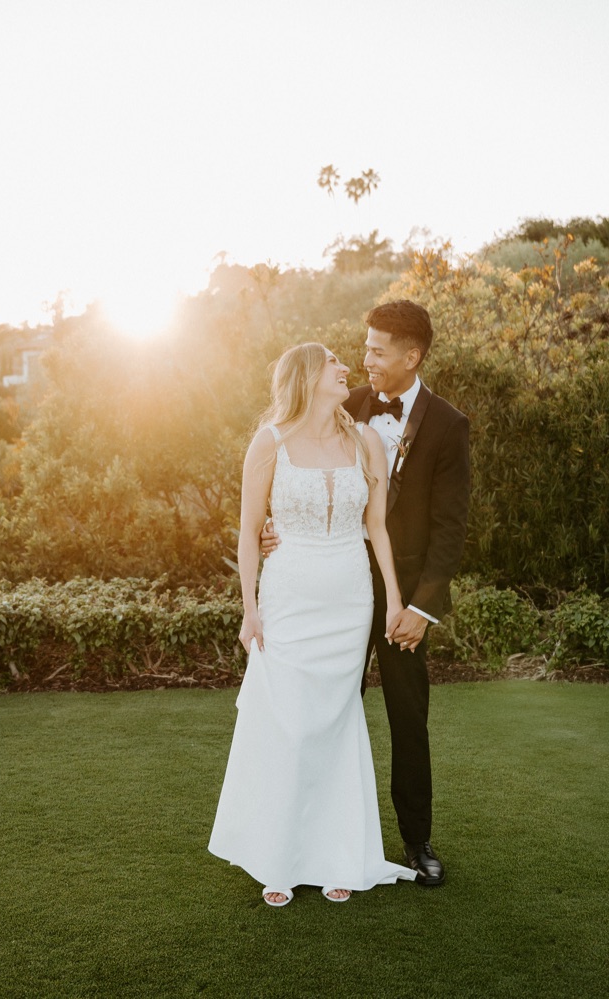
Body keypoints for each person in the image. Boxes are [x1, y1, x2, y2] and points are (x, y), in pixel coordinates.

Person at [262, 300, 471, 887]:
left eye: (378, 351)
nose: (366, 360)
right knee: (325, 711)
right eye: (365, 347)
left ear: (413, 355)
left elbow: (451, 529)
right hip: (336, 587)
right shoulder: (344, 405)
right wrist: (271, 527)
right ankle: (308, 840)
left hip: (402, 597)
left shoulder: (449, 426)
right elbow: (288, 470)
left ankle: (417, 841)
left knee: (408, 717)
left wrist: (422, 607)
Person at [208, 342, 417, 906]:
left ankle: (335, 853)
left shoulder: (364, 439)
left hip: (350, 600)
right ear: (306, 376)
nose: (344, 368)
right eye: (332, 363)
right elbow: (249, 531)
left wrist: (395, 599)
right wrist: (249, 609)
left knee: (334, 722)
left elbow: (377, 526)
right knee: (291, 724)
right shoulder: (269, 440)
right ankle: (279, 857)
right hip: (288, 599)